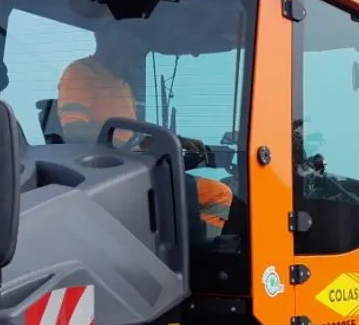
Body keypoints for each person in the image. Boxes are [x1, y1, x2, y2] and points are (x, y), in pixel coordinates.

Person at [56, 26, 235, 235]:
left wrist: (177, 142)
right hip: (107, 173)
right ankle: (200, 258)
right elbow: (74, 130)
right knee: (218, 194)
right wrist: (124, 138)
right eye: (131, 40)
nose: (135, 48)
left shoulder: (120, 82)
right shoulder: (80, 72)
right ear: (104, 36)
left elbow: (133, 138)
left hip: (132, 166)